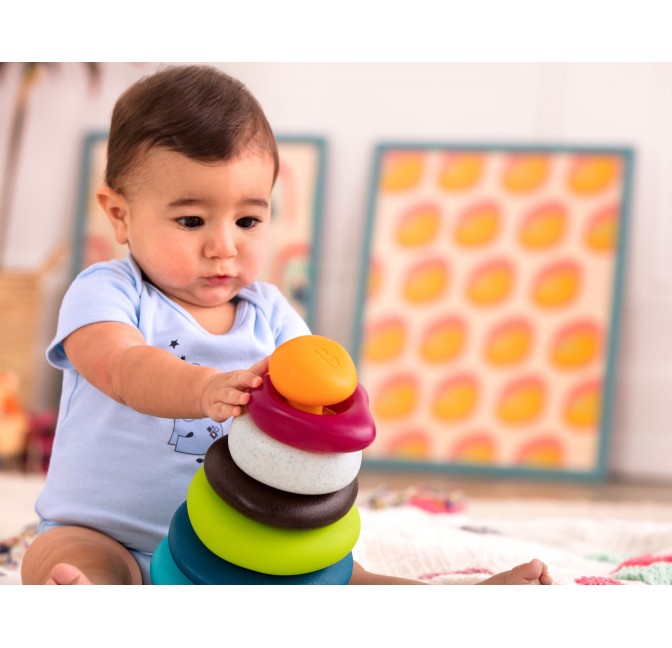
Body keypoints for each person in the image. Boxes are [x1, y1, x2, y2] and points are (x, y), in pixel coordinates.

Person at [21, 64, 552, 586]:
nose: (223, 246)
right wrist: (206, 387)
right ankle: (88, 596)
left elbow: (315, 405)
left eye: (248, 220)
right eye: (190, 221)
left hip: (236, 543)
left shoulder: (270, 312)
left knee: (340, 576)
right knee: (58, 553)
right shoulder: (108, 290)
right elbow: (121, 366)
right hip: (109, 532)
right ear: (119, 215)